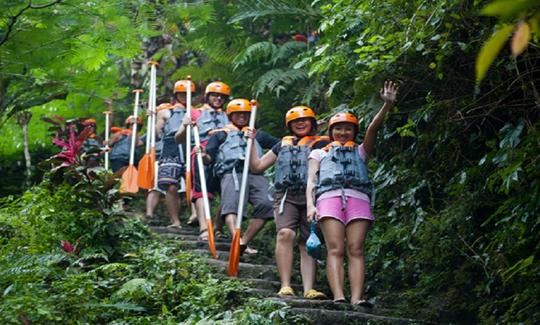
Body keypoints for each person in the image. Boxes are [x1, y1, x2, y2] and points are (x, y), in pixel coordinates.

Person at [306, 80, 398, 306]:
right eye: (338, 128)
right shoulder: (319, 153)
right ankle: (339, 295)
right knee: (335, 248)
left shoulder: (361, 151)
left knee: (356, 248)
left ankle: (357, 298)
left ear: (354, 131)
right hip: (328, 199)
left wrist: (386, 105)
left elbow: (373, 128)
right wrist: (310, 205)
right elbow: (311, 181)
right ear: (330, 132)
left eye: (348, 128)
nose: (343, 132)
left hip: (358, 199)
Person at [248, 106, 329, 298]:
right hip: (286, 196)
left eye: (305, 120)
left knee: (307, 242)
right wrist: (251, 142)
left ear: (313, 123)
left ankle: (309, 288)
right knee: (285, 234)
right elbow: (257, 166)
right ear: (289, 125)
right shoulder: (282, 145)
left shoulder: (323, 143)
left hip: (313, 196)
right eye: (295, 121)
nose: (300, 123)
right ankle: (285, 285)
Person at [199, 99, 279, 253]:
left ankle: (244, 241)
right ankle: (237, 239)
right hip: (232, 173)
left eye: (245, 114)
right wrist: (202, 155)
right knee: (231, 207)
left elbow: (280, 145)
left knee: (267, 204)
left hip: (256, 173)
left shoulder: (258, 134)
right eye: (238, 114)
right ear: (230, 115)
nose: (242, 116)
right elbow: (209, 158)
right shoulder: (221, 135)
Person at [175, 81, 230, 241]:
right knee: (201, 191)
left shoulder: (228, 115)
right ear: (208, 96)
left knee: (226, 191)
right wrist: (185, 127)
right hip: (201, 151)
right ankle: (204, 228)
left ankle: (218, 227)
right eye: (215, 95)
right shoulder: (195, 113)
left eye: (221, 96)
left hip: (224, 155)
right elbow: (178, 139)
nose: (218, 98)